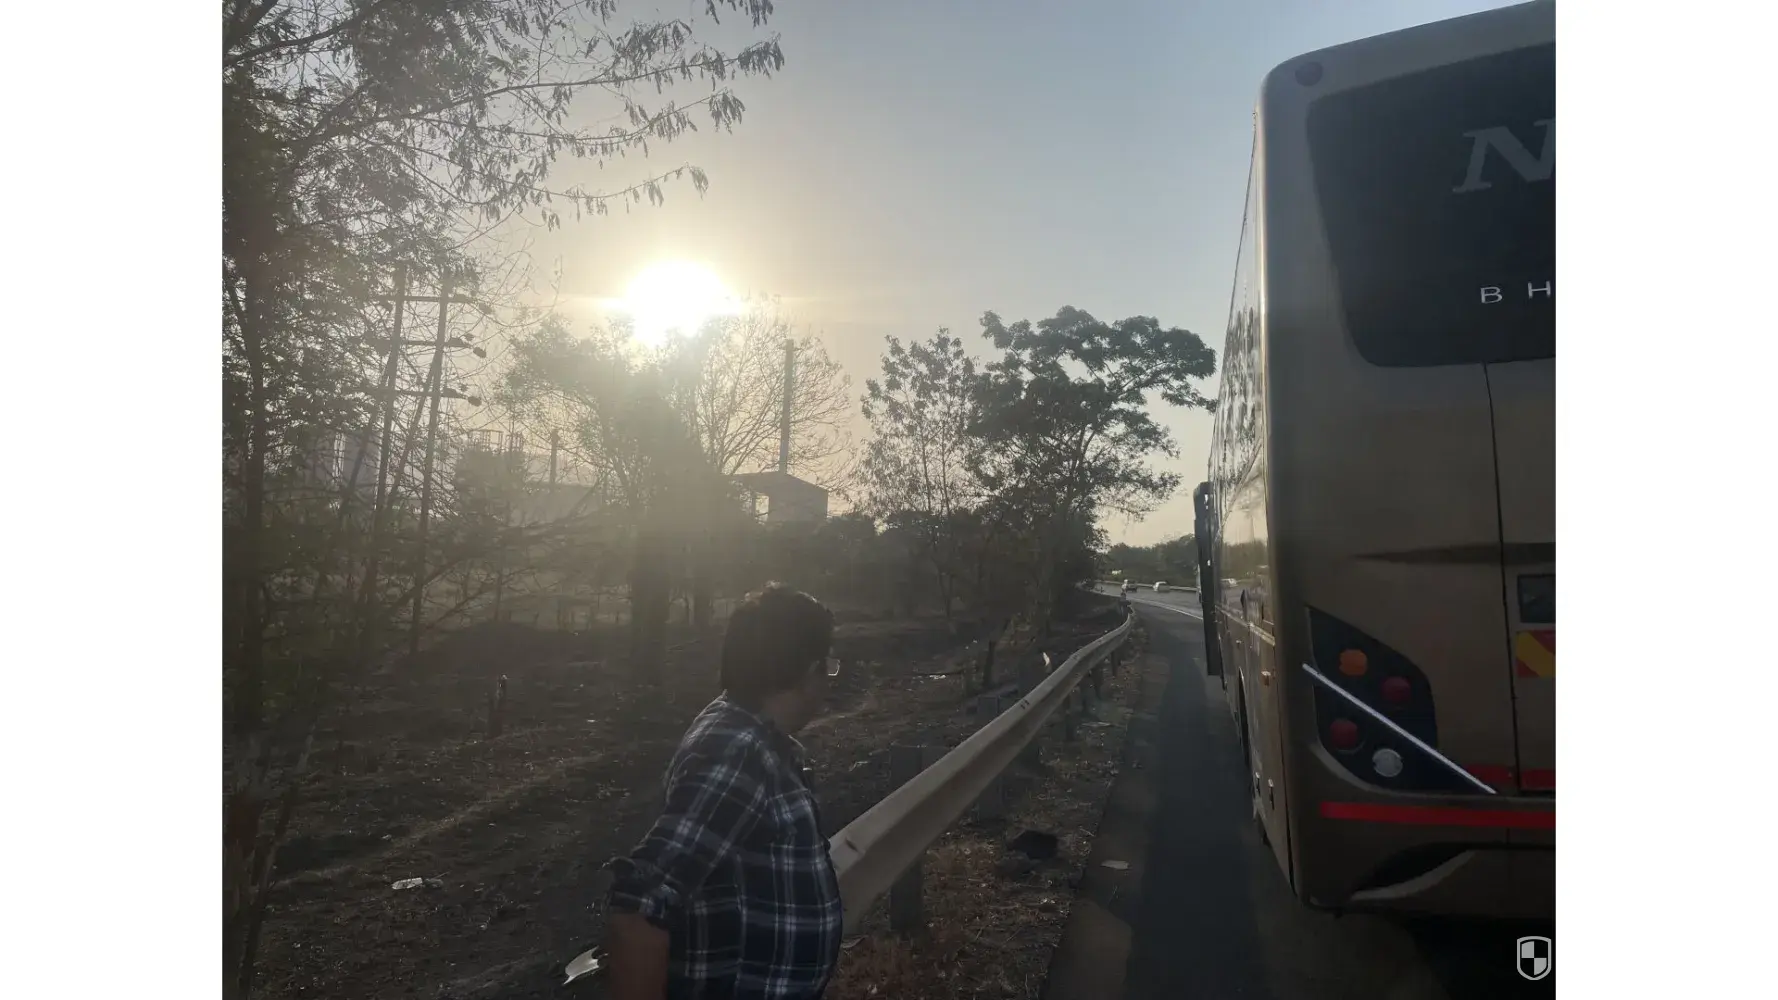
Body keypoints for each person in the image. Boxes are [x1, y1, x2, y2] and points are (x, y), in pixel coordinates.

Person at [604, 583, 845, 1000]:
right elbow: (640, 906)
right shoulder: (738, 751)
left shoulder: (751, 735)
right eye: (830, 666)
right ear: (810, 670)